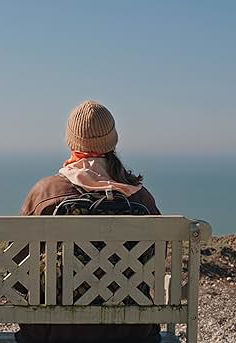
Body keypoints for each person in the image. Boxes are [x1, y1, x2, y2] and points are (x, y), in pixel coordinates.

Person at [16, 100, 173, 343]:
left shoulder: (46, 193)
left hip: (55, 332)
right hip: (133, 331)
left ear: (71, 141)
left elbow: (19, 260)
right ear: (113, 140)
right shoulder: (140, 198)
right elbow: (156, 258)